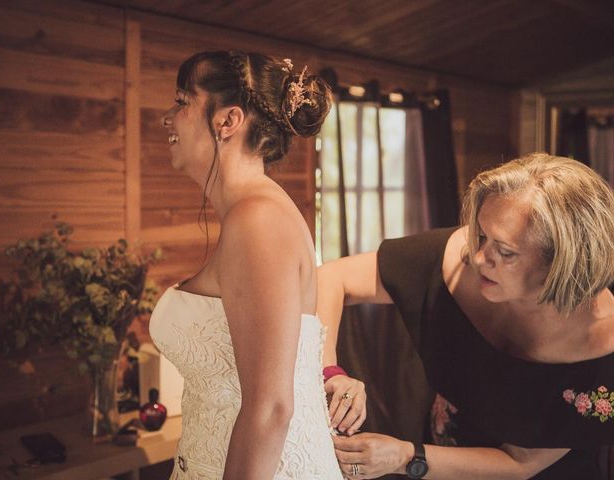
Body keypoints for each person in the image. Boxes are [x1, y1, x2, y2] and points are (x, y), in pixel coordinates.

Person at [318, 153, 614, 479]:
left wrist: (406, 457)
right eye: (482, 236)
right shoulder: (457, 262)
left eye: (505, 252)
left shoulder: (603, 347)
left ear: (562, 262)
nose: (477, 257)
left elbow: (520, 464)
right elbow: (328, 280)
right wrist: (330, 372)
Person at [148, 49, 363, 479]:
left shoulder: (259, 220)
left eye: (181, 100)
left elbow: (271, 408)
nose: (167, 118)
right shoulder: (253, 214)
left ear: (227, 121)